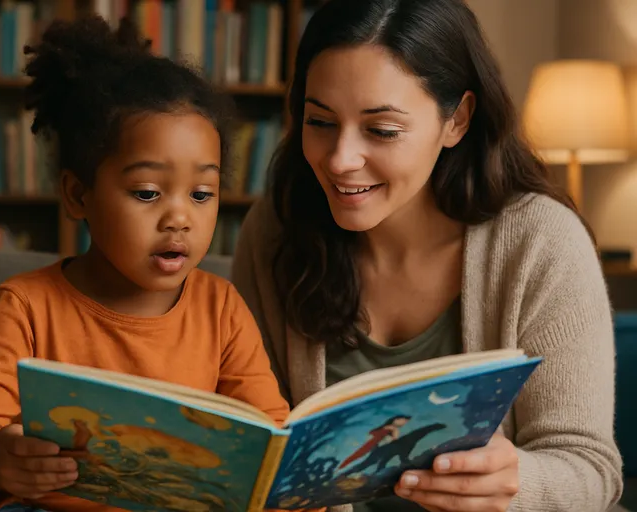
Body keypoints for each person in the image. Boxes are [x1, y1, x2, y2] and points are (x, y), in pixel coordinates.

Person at [230, 0, 623, 511]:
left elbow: (591, 469)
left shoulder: (541, 243)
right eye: (320, 121)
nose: (340, 160)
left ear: (456, 120)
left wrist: (515, 484)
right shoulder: (275, 231)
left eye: (382, 130)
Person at [0, 16, 291, 512]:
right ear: (79, 195)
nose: (179, 217)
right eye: (146, 192)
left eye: (202, 193)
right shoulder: (26, 307)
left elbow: (270, 437)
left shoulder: (222, 308)